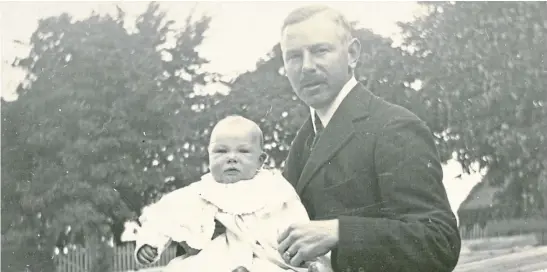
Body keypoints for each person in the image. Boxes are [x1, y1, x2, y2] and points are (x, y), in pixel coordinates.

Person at [276, 5, 462, 272]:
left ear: (352, 54)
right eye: (293, 56)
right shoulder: (305, 139)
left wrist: (340, 232)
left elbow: (439, 242)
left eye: (320, 51)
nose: (306, 67)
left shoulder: (393, 127)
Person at [134, 115, 332, 272]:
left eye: (243, 152)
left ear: (260, 160)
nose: (231, 158)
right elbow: (163, 214)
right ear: (209, 156)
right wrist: (150, 243)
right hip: (214, 259)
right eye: (221, 151)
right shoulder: (201, 191)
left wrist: (312, 257)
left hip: (265, 256)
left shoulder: (274, 188)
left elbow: (296, 220)